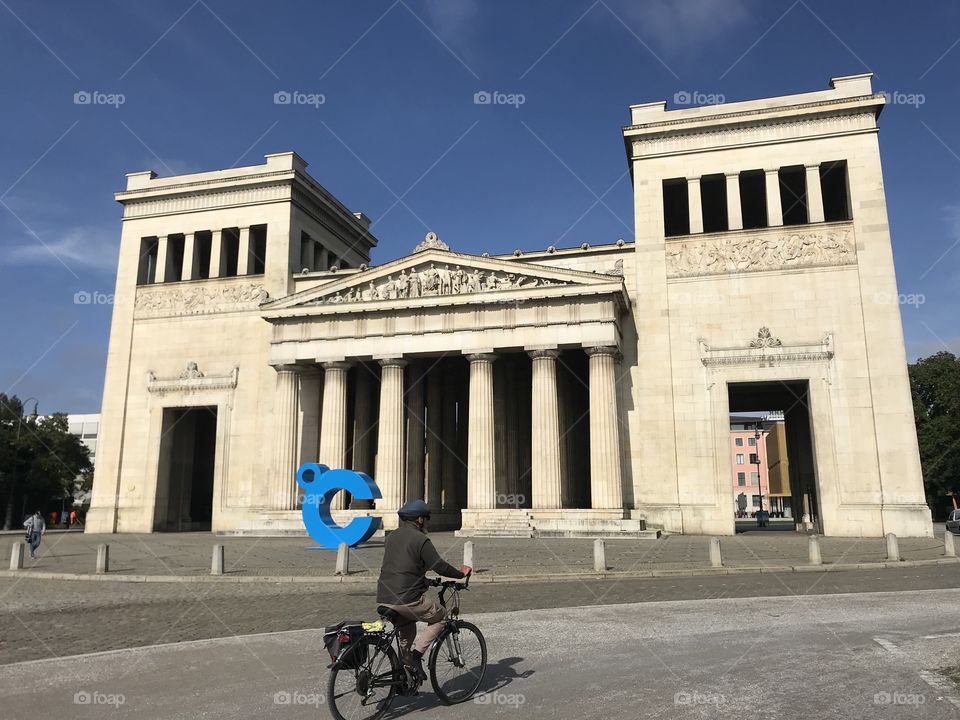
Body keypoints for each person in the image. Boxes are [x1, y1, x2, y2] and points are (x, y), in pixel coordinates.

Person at [376, 499, 471, 682]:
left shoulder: (392, 536)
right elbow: (439, 566)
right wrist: (460, 574)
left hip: (384, 595)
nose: (429, 521)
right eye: (427, 518)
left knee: (407, 627)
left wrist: (423, 581)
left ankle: (404, 669)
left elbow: (402, 568)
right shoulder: (421, 539)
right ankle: (415, 657)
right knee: (441, 616)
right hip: (407, 598)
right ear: (419, 520)